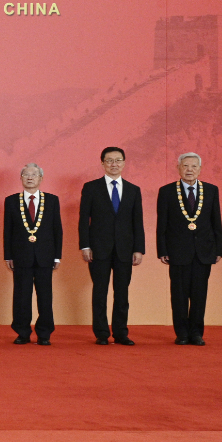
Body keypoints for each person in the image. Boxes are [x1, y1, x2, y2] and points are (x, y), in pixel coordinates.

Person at [78, 147, 144, 345]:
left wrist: (138, 249)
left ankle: (121, 333)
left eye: (118, 160)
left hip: (125, 249)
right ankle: (101, 333)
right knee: (100, 291)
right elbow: (83, 220)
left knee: (122, 292)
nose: (114, 164)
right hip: (98, 248)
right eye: (109, 161)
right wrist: (85, 246)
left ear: (124, 163)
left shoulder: (133, 189)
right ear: (102, 163)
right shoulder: (91, 187)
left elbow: (137, 222)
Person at [157, 152, 222, 346]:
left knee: (199, 294)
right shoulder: (167, 191)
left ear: (200, 169)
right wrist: (162, 250)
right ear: (178, 168)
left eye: (194, 166)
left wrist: (218, 249)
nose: (189, 170)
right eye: (185, 166)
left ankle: (196, 333)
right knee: (179, 295)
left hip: (204, 251)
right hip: (177, 252)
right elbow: (162, 224)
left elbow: (216, 221)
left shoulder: (211, 190)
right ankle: (182, 333)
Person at [3, 163, 62, 345]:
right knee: (21, 296)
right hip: (21, 256)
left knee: (45, 296)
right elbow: (8, 230)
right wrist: (8, 255)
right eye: (26, 174)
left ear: (41, 179)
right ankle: (22, 332)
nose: (30, 177)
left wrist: (57, 255)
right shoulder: (11, 201)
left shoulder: (52, 200)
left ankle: (44, 334)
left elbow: (57, 229)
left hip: (45, 256)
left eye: (34, 174)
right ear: (21, 178)